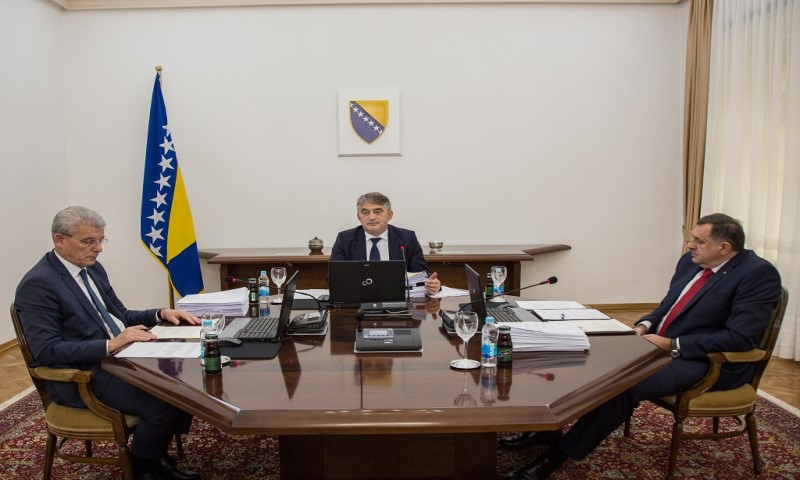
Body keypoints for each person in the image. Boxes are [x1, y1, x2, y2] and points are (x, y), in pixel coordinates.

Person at [502, 213, 782, 480]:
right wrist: (645, 325)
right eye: (691, 238)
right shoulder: (690, 262)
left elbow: (740, 338)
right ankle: (547, 430)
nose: (690, 245)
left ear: (724, 247)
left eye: (699, 241)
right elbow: (668, 306)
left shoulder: (757, 274)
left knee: (622, 384)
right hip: (659, 345)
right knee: (582, 354)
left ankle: (554, 458)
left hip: (707, 362)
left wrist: (672, 343)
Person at [15, 206, 203, 480]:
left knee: (185, 380)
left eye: (101, 240)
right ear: (60, 240)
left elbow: (120, 315)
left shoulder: (91, 268)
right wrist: (111, 344)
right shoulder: (38, 284)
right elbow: (46, 351)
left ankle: (155, 453)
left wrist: (160, 313)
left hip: (118, 359)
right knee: (165, 402)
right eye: (89, 241)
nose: (98, 248)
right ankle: (143, 468)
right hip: (83, 375)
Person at [330, 192, 441, 295]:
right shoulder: (345, 239)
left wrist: (433, 285)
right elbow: (332, 278)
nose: (371, 217)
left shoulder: (407, 238)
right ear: (359, 217)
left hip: (396, 299)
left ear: (389, 215)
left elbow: (422, 274)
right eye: (365, 212)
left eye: (377, 212)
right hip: (359, 298)